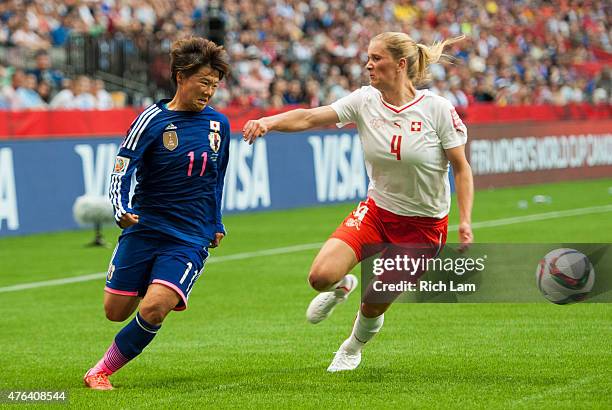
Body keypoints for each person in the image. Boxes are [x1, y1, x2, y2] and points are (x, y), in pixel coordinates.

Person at [243, 32, 474, 372]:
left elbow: (461, 167)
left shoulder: (437, 110)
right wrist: (268, 122)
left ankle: (352, 347)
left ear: (400, 64)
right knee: (320, 277)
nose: (368, 64)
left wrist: (465, 220)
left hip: (423, 228)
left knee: (373, 303)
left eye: (376, 58)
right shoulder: (365, 100)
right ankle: (341, 287)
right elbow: (309, 117)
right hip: (377, 212)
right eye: (368, 57)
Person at [84, 37, 231, 390]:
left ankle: (100, 371)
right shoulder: (151, 119)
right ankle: (148, 276)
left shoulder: (218, 125)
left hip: (191, 236)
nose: (209, 91)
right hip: (146, 227)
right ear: (181, 77)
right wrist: (120, 208)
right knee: (115, 310)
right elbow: (122, 168)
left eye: (215, 84)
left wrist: (216, 221)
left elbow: (217, 177)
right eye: (204, 82)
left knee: (154, 308)